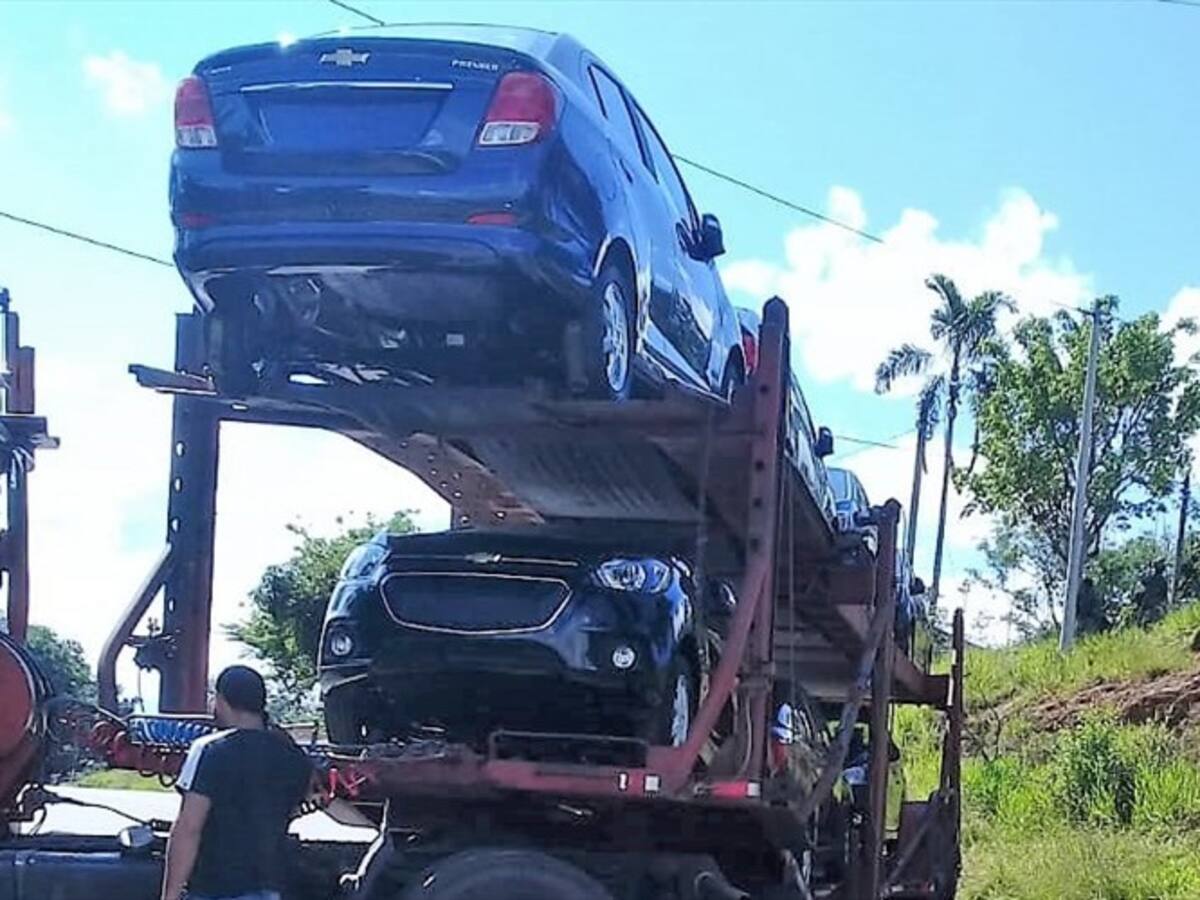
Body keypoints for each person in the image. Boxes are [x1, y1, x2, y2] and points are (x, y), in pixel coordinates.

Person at [161, 665, 313, 900]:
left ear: (222, 701)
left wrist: (169, 895)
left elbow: (189, 828)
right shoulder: (293, 756)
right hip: (270, 889)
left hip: (215, 889)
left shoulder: (209, 749)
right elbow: (299, 808)